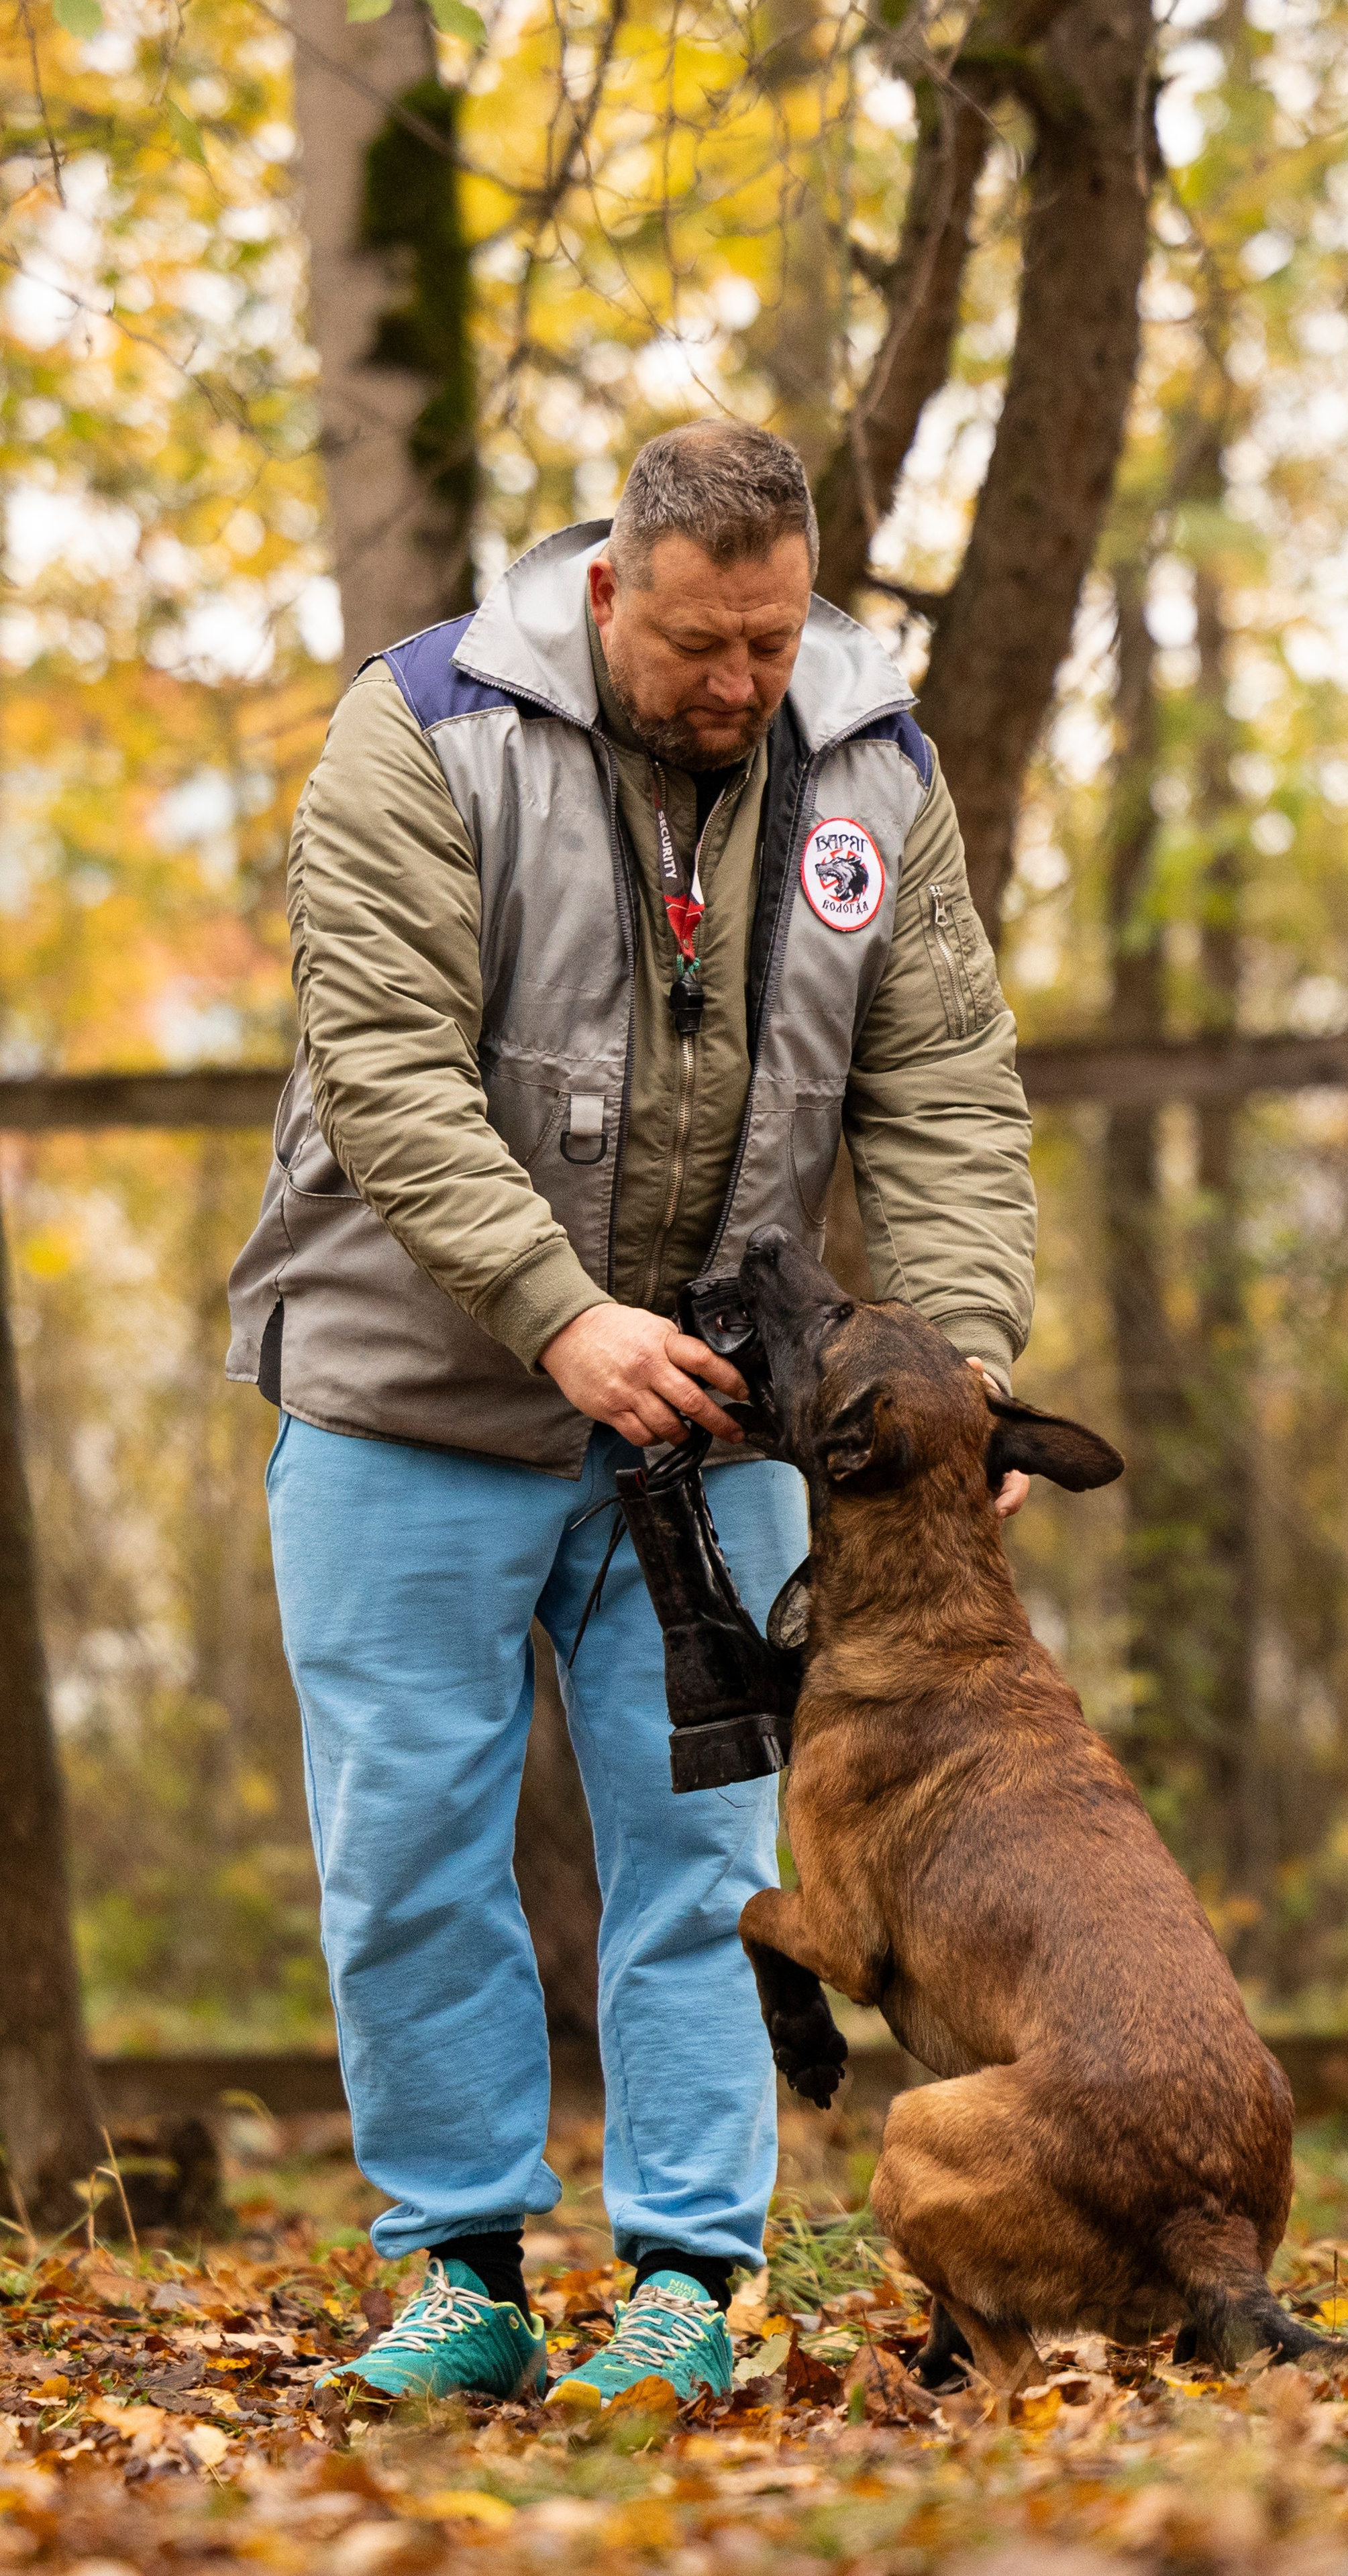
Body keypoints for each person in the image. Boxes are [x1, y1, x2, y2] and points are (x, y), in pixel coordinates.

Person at [227, 421, 1036, 2410]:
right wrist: (561, 1315)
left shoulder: (872, 768)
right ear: (609, 589)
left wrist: (970, 1372)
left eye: (769, 642)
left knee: (711, 1855)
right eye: (695, 644)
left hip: (719, 1430)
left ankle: (692, 2276)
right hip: (408, 1394)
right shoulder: (420, 736)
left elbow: (938, 1088)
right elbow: (390, 1069)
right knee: (410, 1846)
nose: (736, 686)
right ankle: (462, 2273)